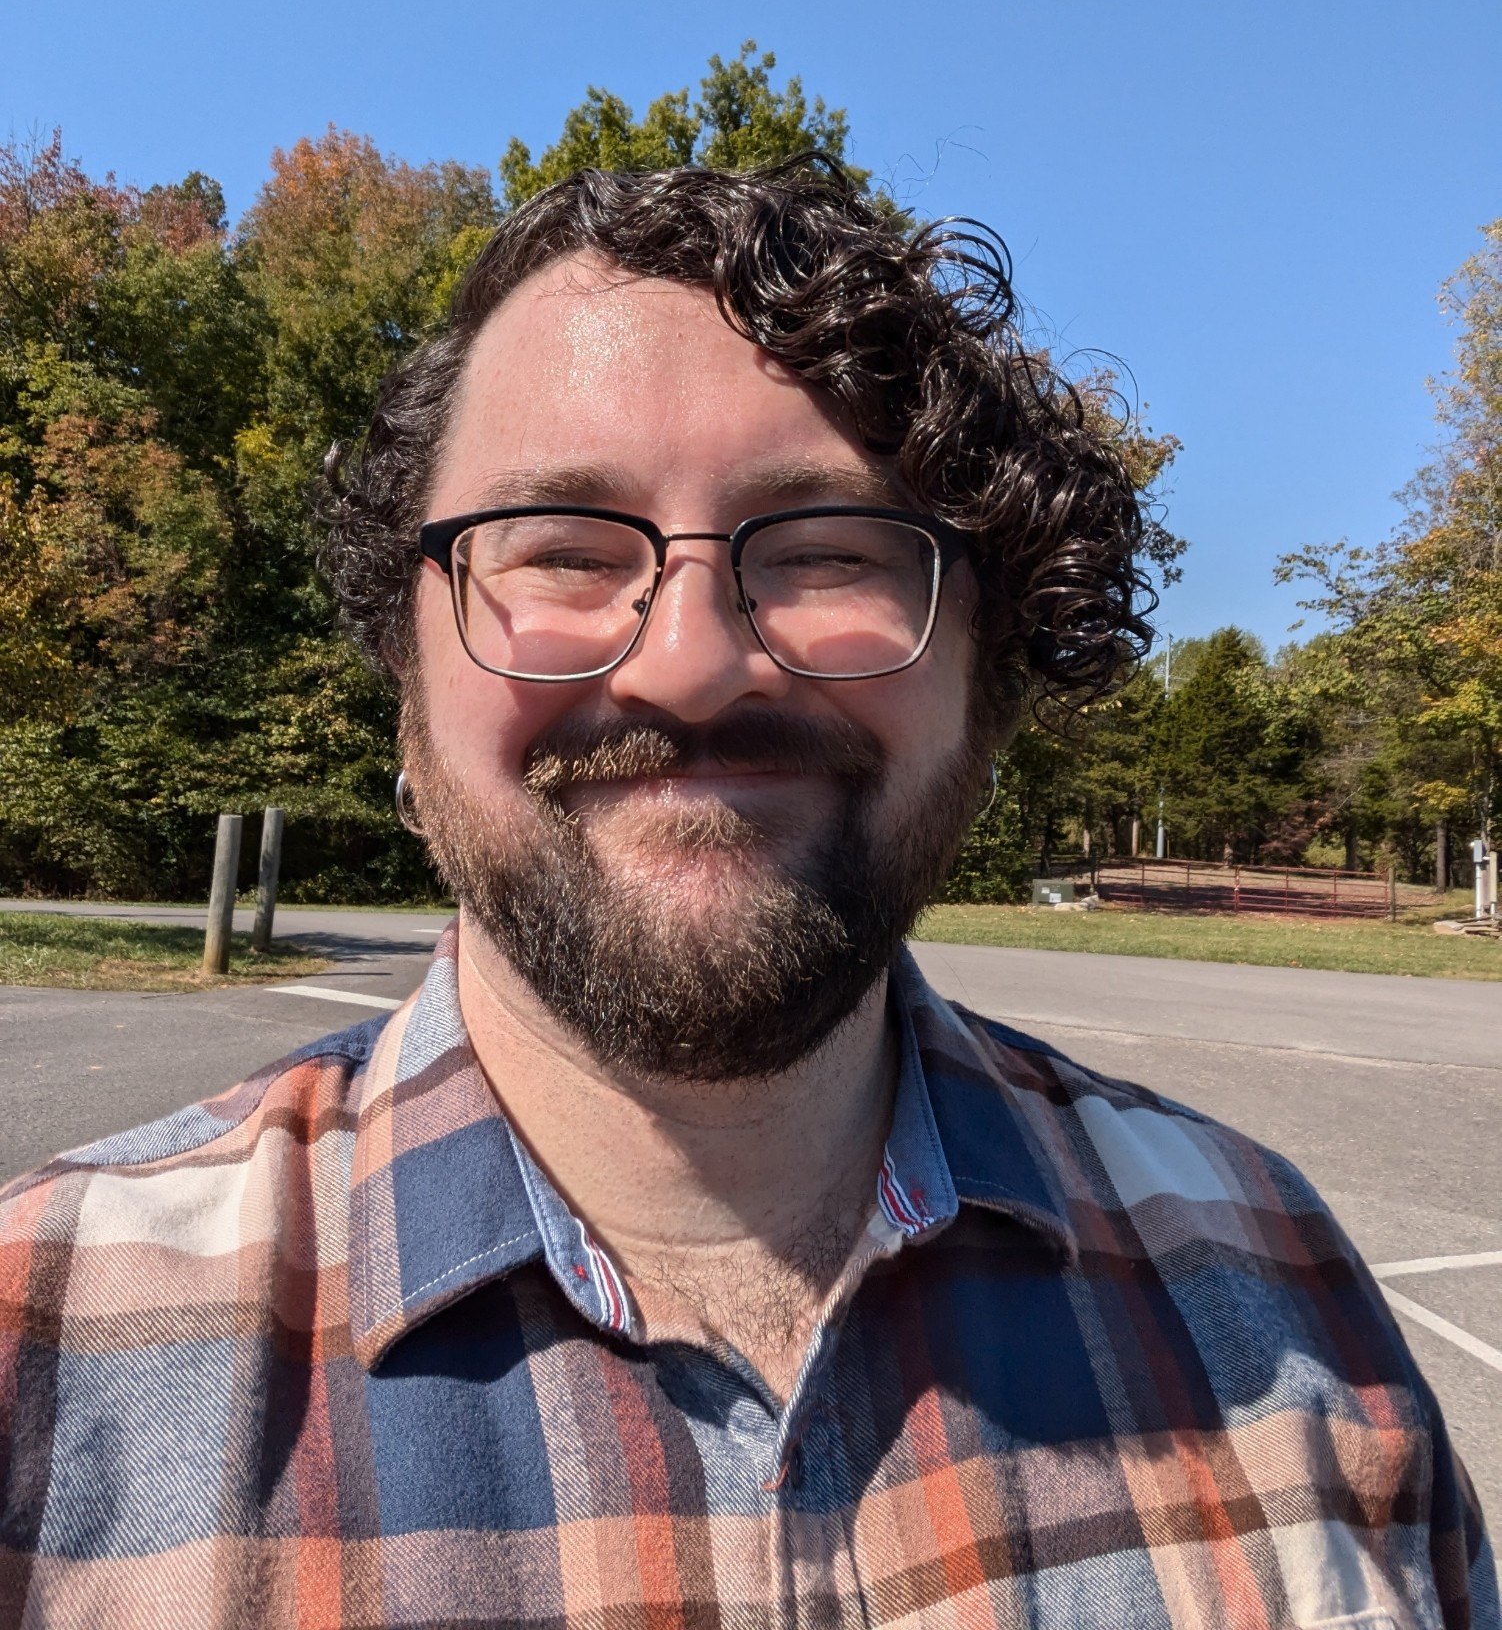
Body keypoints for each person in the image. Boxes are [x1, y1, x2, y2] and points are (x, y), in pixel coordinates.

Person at [0, 158, 1493, 1630]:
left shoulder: (1268, 1269)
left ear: (989, 666)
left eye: (828, 549)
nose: (689, 663)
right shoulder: (42, 1346)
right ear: (408, 664)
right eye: (565, 551)